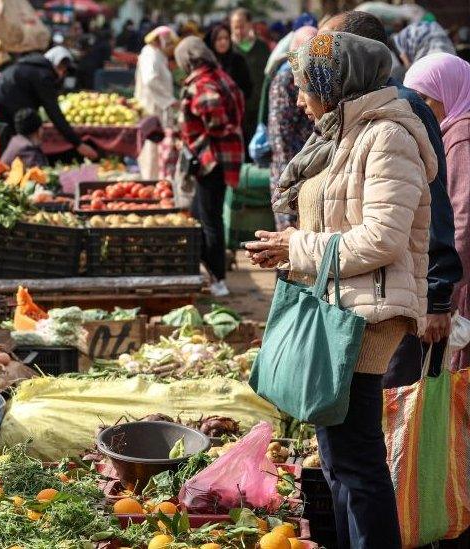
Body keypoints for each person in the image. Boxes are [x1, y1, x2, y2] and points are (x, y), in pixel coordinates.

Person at [248, 32, 435, 549]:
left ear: (337, 85)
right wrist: (288, 247)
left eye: (306, 88)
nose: (300, 101)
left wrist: (299, 247)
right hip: (344, 304)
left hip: (367, 317)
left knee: (355, 461)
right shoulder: (343, 134)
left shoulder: (387, 137)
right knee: (339, 459)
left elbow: (382, 237)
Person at [322, 10, 462, 388]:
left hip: (397, 298)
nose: (319, 59)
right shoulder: (356, 110)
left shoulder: (402, 109)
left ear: (355, 53)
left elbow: (434, 206)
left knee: (389, 415)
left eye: (326, 48)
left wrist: (437, 297)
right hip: (364, 295)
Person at [405, 53, 470, 369]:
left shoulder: (461, 137)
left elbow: (463, 220)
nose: (417, 107)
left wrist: (446, 296)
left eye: (425, 98)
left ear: (449, 94)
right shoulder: (449, 132)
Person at [174, 37, 245, 298]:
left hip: (211, 160)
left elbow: (213, 114)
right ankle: (206, 272)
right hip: (224, 158)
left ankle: (218, 280)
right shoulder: (221, 76)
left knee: (209, 220)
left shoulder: (202, 82)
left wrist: (203, 137)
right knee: (200, 214)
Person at [0, 46, 99, 160]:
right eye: (61, 68)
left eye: (64, 69)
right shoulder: (43, 74)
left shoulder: (31, 66)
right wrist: (78, 144)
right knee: (1, 152)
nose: (62, 73)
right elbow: (53, 111)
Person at [266, 26, 317, 230]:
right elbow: (280, 135)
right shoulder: (285, 79)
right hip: (291, 170)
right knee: (289, 238)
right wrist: (292, 178)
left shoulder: (318, 75)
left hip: (313, 166)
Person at [134, 26, 179, 179]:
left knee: (158, 147)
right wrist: (169, 100)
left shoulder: (158, 54)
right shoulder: (149, 54)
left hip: (159, 107)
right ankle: (150, 180)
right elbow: (151, 80)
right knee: (151, 147)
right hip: (151, 107)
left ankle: (157, 179)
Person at [230, 8, 271, 147]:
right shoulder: (228, 49)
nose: (238, 31)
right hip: (235, 111)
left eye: (241, 26)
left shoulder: (261, 47)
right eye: (235, 27)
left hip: (259, 109)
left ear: (249, 25)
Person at [204, 24, 253, 100]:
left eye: (226, 38)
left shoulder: (237, 60)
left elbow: (247, 87)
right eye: (219, 39)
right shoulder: (207, 62)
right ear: (212, 41)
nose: (223, 42)